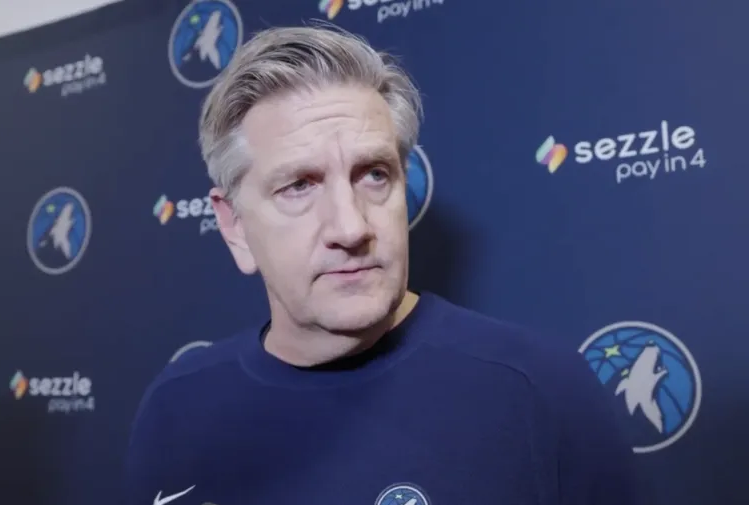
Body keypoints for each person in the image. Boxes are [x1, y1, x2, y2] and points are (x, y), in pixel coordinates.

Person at [125, 24, 643, 505]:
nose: (351, 228)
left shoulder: (542, 392)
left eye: (374, 174)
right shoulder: (176, 407)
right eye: (299, 185)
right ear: (234, 224)